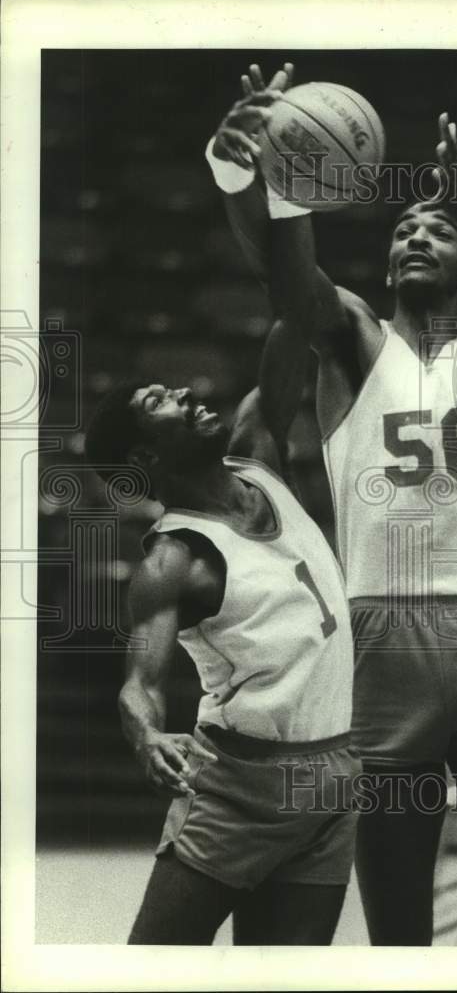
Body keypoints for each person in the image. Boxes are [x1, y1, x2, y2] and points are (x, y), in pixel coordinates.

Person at [207, 62, 457, 946]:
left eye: (437, 231)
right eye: (404, 228)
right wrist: (256, 177)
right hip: (376, 653)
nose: (415, 236)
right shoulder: (352, 342)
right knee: (400, 931)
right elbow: (289, 284)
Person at [85, 77, 359, 939]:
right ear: (143, 456)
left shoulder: (262, 449)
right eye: (157, 402)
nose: (182, 391)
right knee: (156, 965)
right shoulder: (178, 555)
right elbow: (139, 683)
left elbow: (298, 310)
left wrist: (272, 181)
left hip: (333, 780)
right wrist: (145, 736)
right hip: (238, 786)